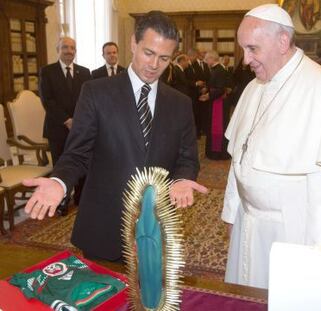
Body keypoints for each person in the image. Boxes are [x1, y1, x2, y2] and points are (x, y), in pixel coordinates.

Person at [24, 11, 207, 262]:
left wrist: (183, 179)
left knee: (149, 298)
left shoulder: (181, 104)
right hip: (104, 223)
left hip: (156, 224)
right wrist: (59, 182)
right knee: (102, 300)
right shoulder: (95, 92)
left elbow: (187, 158)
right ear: (133, 43)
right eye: (148, 53)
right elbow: (77, 153)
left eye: (164, 58)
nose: (154, 65)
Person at [221, 4, 321, 289]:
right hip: (248, 226)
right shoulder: (254, 88)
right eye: (243, 49)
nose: (245, 60)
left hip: (294, 234)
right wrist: (232, 213)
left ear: (282, 42)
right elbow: (238, 160)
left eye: (252, 48)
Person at [39, 37, 91, 215]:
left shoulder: (84, 72)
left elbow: (88, 100)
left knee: (82, 161)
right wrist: (67, 120)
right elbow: (48, 100)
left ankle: (81, 199)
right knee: (61, 165)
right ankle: (61, 201)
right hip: (57, 128)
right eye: (65, 47)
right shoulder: (47, 71)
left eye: (73, 48)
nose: (69, 51)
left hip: (81, 127)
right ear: (58, 49)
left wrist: (80, 120)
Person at [199, 50, 231, 160]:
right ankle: (213, 151)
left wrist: (209, 95)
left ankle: (218, 153)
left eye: (207, 59)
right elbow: (214, 85)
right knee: (212, 127)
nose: (206, 61)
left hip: (219, 103)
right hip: (215, 101)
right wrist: (206, 90)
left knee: (218, 128)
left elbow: (220, 89)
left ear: (212, 58)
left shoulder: (219, 70)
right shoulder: (215, 70)